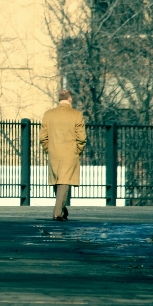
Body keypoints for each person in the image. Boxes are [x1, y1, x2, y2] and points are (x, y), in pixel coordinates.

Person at [40, 89, 87, 221]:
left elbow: (43, 136)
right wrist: (78, 149)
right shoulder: (76, 115)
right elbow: (81, 137)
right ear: (70, 99)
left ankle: (62, 210)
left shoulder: (49, 114)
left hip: (54, 151)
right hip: (70, 152)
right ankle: (57, 212)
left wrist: (48, 148)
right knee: (64, 181)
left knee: (58, 181)